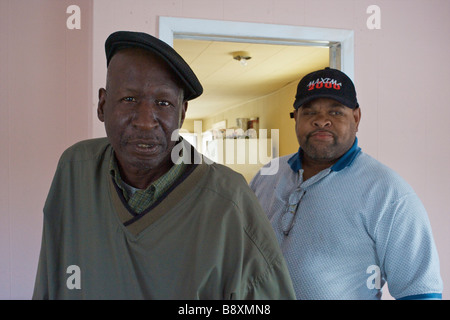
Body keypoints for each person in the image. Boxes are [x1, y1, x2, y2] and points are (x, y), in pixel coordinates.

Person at [33, 31, 296, 300]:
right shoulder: (76, 168)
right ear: (102, 105)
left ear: (182, 113)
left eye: (163, 103)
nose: (145, 121)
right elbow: (50, 273)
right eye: (129, 99)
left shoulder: (229, 198)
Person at [250, 67, 443, 300]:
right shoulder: (268, 175)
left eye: (336, 112)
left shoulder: (388, 193)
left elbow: (421, 292)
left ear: (356, 117)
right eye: (309, 112)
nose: (322, 121)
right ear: (296, 117)